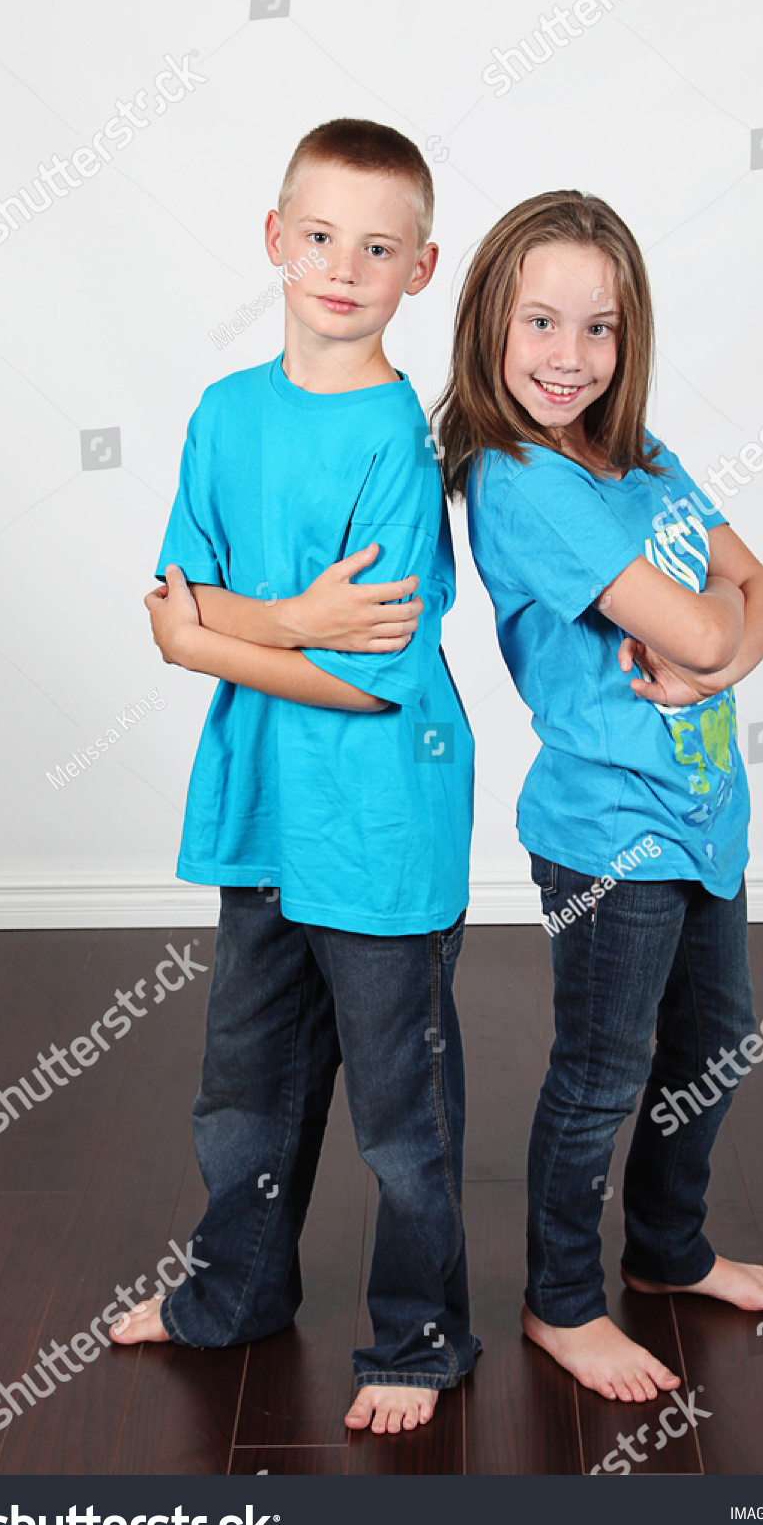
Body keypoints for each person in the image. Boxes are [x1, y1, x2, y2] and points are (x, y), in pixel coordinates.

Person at [110, 119, 479, 1437]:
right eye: (320, 236)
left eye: (377, 247)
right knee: (245, 1089)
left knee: (399, 1115)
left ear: (420, 269)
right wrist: (296, 616)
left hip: (379, 825)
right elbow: (165, 615)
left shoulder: (398, 440)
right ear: (275, 240)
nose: (343, 264)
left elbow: (370, 676)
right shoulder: (226, 414)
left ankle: (422, 1337)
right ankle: (233, 1296)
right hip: (265, 811)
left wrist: (236, 625)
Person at [432, 189, 763, 1404]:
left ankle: (667, 1253)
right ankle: (561, 1300)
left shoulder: (641, 457)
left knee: (713, 1043)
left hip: (707, 814)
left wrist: (711, 658)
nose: (568, 356)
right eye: (540, 322)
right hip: (608, 830)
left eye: (597, 328)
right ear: (491, 320)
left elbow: (762, 593)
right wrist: (712, 636)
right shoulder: (520, 479)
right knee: (601, 1069)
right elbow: (709, 607)